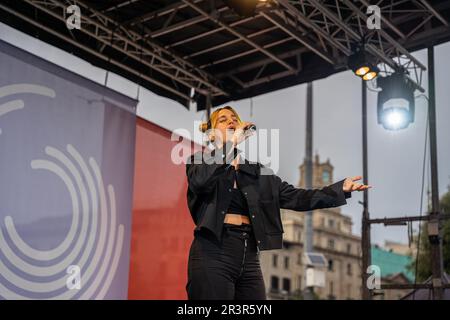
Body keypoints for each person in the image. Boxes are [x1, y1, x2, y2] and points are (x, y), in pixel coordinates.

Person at [185, 106, 371, 300]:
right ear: (212, 135)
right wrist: (230, 145)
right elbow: (200, 182)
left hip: (248, 254)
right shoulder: (199, 161)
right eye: (222, 120)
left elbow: (297, 197)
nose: (231, 121)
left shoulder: (258, 173)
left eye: (234, 118)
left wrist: (339, 189)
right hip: (213, 250)